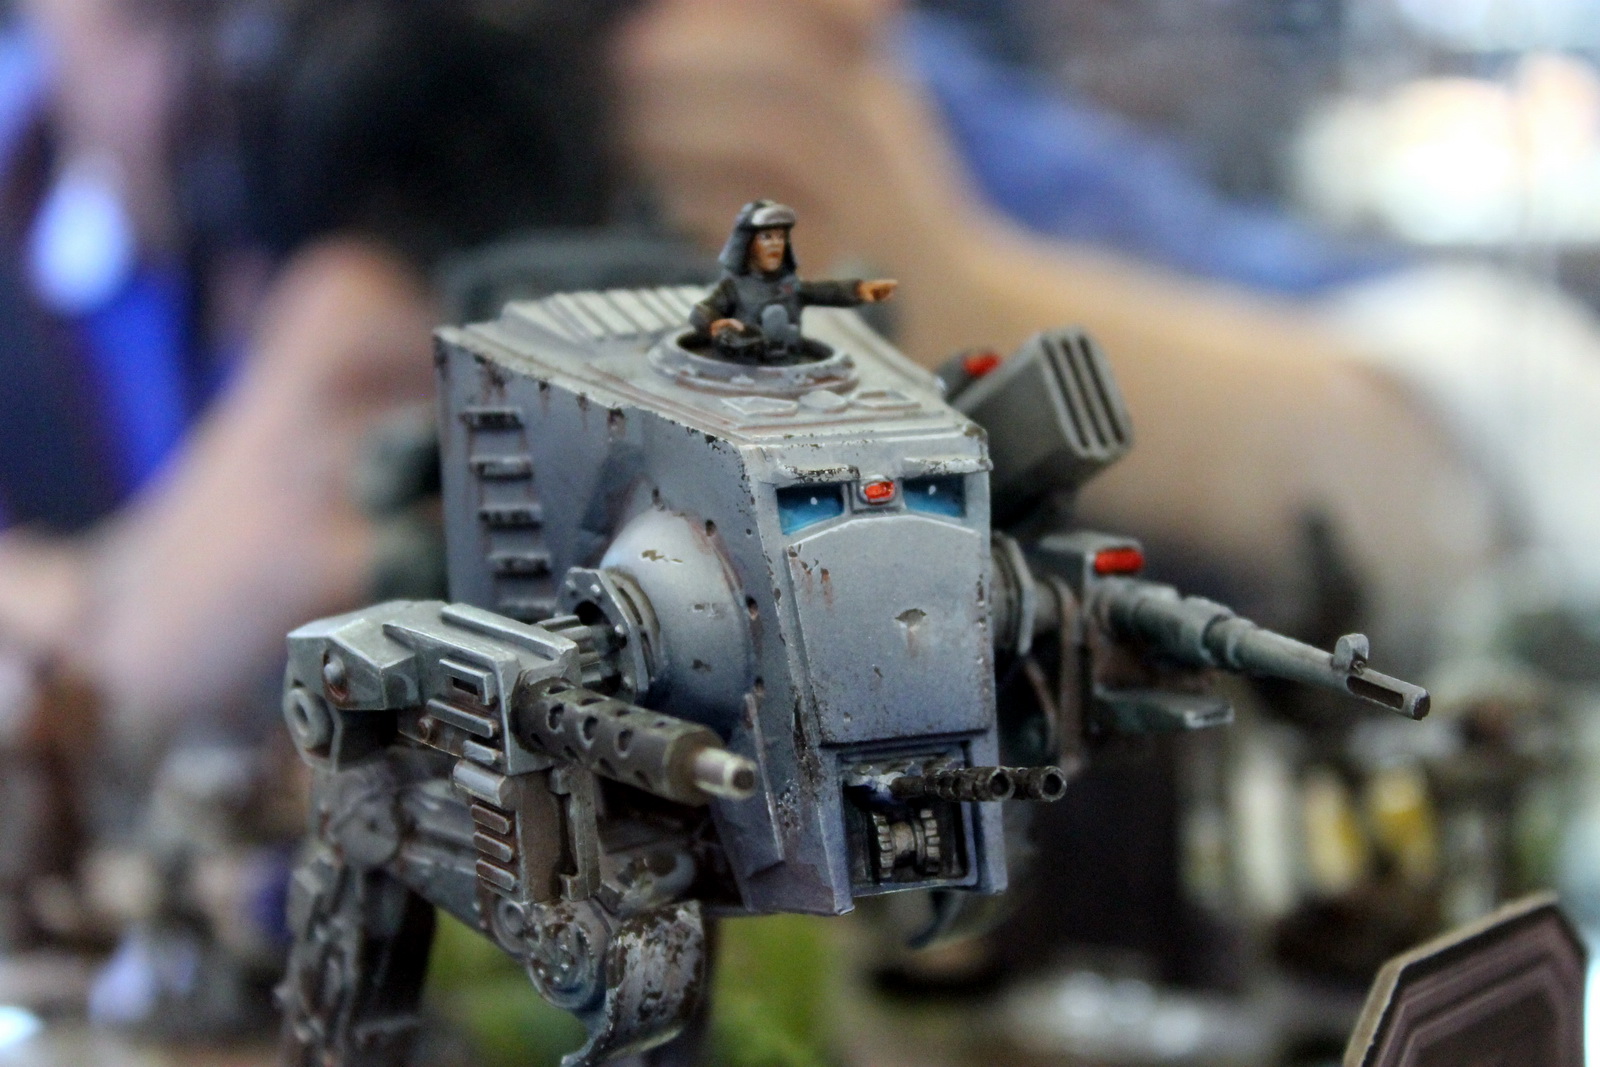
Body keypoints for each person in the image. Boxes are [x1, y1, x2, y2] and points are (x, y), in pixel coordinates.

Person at [688, 198, 896, 361]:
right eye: (766, 237)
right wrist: (717, 325)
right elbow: (701, 311)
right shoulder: (734, 286)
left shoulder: (789, 285)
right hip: (743, 364)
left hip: (788, 365)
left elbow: (824, 292)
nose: (775, 244)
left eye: (780, 237)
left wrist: (860, 290)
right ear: (747, 244)